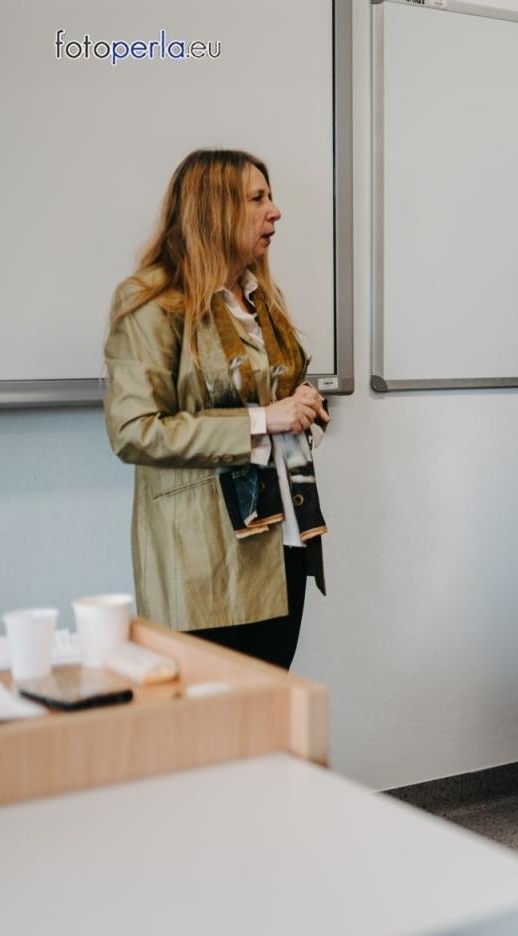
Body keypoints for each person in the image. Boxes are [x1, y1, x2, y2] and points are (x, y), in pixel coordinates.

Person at [104, 149, 330, 669]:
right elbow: (134, 431)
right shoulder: (149, 301)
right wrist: (262, 419)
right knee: (211, 729)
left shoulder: (259, 299)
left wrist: (300, 401)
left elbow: (266, 392)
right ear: (214, 210)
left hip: (283, 542)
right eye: (257, 199)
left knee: (268, 715)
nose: (275, 212)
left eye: (270, 198)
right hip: (203, 559)